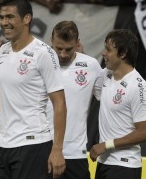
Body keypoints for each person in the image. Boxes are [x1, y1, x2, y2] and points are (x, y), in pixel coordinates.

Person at [0, 0, 67, 179]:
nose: (4, 22)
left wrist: (58, 149)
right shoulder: (3, 51)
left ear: (26, 19)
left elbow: (59, 103)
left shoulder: (43, 53)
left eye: (10, 17)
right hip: (4, 146)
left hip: (33, 145)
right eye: (2, 17)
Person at [90, 29, 146, 179]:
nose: (103, 53)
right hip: (104, 163)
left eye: (108, 49)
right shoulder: (105, 75)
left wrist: (106, 145)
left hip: (124, 166)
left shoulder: (138, 86)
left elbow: (144, 132)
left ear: (123, 54)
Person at [47, 20, 102, 179]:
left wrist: (107, 141)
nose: (63, 54)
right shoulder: (38, 63)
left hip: (75, 154)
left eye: (68, 49)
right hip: (42, 151)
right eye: (59, 48)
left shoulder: (91, 65)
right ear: (52, 40)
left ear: (77, 43)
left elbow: (108, 101)